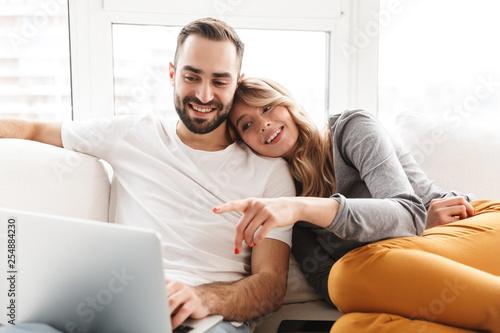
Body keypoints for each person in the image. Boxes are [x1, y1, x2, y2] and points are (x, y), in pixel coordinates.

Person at [0, 19, 296, 333]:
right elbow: (32, 130)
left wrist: (203, 299)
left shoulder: (270, 173)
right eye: (191, 76)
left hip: (205, 323)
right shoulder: (132, 133)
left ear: (237, 83)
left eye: (220, 81)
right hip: (109, 312)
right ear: (172, 74)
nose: (204, 95)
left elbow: (271, 286)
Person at [214, 77, 500, 332]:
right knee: (350, 325)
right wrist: (402, 234)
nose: (263, 123)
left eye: (267, 107)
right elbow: (325, 278)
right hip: (411, 256)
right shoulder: (285, 194)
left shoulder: (349, 128)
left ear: (287, 104)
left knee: (348, 273)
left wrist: (302, 208)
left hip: (467, 222)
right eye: (247, 124)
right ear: (244, 144)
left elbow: (407, 211)